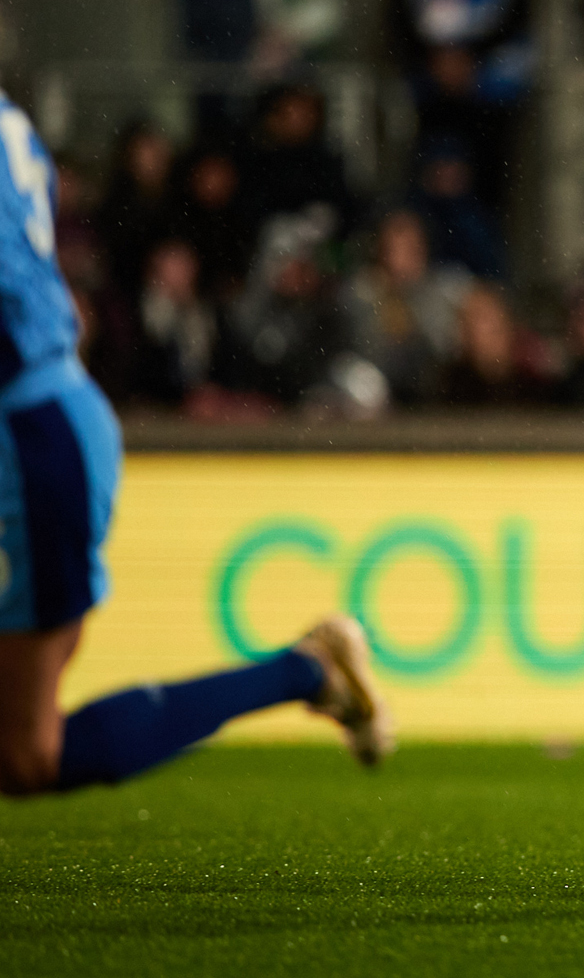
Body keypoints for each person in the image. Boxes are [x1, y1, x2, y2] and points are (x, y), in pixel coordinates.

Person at [0, 90, 392, 797]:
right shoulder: (11, 122)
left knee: (25, 755)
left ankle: (304, 672)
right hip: (51, 411)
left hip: (28, 435)